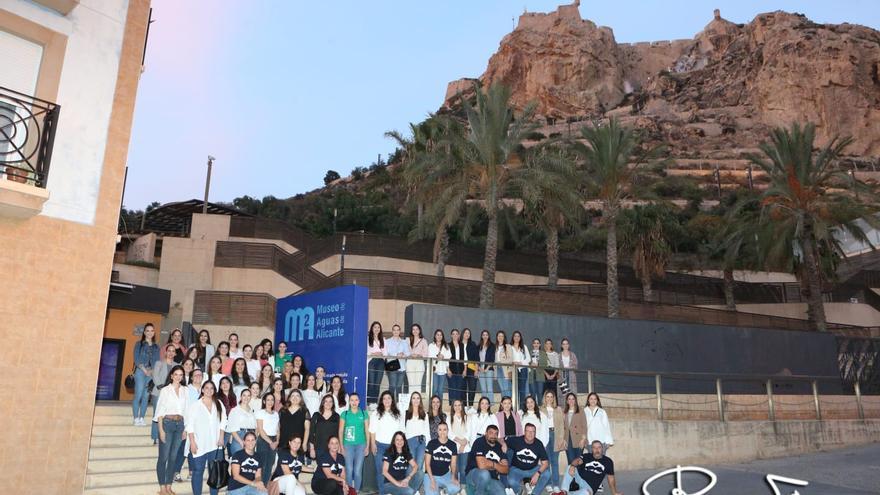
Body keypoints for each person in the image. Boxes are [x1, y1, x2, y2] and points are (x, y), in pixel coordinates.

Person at [185, 380, 227, 495]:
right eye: (206, 388)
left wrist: (221, 437)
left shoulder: (218, 403)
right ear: (202, 390)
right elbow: (190, 425)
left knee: (214, 472)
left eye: (211, 388)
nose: (209, 390)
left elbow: (223, 421)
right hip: (199, 444)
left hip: (215, 444)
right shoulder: (195, 405)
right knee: (198, 471)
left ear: (214, 390)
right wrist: (192, 442)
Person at [154, 365, 187, 495]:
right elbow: (160, 412)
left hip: (180, 425)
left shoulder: (185, 390)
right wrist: (161, 430)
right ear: (172, 375)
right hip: (167, 424)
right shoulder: (165, 390)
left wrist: (185, 428)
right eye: (176, 374)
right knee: (164, 457)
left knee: (173, 457)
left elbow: (187, 410)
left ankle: (168, 486)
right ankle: (162, 487)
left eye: (181, 375)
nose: (178, 377)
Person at [370, 390, 404, 494]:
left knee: (393, 471)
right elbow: (372, 430)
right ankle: (382, 492)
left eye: (389, 398)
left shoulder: (398, 413)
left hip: (394, 447)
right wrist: (372, 444)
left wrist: (400, 447)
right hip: (380, 446)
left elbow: (401, 431)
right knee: (381, 471)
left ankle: (392, 491)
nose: (387, 400)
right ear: (381, 400)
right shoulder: (376, 413)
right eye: (384, 398)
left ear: (392, 400)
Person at [507, 423, 552, 495]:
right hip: (517, 469)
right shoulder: (517, 440)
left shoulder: (538, 444)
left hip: (532, 469)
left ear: (535, 433)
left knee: (547, 474)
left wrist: (537, 474)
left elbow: (546, 463)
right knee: (511, 481)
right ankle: (520, 491)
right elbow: (503, 440)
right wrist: (503, 444)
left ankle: (534, 493)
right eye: (528, 431)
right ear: (524, 432)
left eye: (533, 431)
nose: (530, 433)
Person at [465, 425, 509, 495]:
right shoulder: (479, 442)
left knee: (502, 493)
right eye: (491, 433)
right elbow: (481, 466)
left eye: (496, 434)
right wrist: (497, 465)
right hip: (474, 475)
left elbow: (505, 470)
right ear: (486, 433)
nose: (493, 436)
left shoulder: (500, 447)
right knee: (484, 474)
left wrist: (490, 464)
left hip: (492, 478)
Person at [338, 392, 369, 491]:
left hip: (361, 444)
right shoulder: (345, 414)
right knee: (349, 469)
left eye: (356, 400)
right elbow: (341, 431)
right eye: (352, 400)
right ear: (349, 401)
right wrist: (341, 447)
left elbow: (367, 431)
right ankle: (350, 491)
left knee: (357, 471)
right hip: (348, 445)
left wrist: (368, 446)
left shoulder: (364, 413)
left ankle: (357, 491)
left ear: (359, 401)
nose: (354, 402)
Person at [132, 323, 158, 426]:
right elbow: (136, 359)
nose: (150, 332)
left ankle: (142, 418)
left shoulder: (156, 346)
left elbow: (157, 361)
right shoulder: (139, 344)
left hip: (151, 373)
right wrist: (144, 369)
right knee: (138, 394)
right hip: (140, 371)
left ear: (154, 332)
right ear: (144, 332)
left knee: (146, 396)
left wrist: (151, 371)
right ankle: (135, 418)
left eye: (152, 330)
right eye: (148, 330)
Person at [150, 343, 178, 442]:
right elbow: (155, 376)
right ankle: (155, 437)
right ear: (166, 352)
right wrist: (161, 387)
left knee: (166, 416)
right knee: (157, 415)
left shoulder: (177, 365)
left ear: (175, 353)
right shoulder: (159, 363)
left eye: (173, 351)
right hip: (158, 392)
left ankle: (163, 435)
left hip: (171, 395)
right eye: (169, 351)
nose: (171, 353)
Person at [425, 422, 461, 495]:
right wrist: (432, 480)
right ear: (437, 431)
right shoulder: (431, 443)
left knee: (456, 488)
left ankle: (444, 491)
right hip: (431, 475)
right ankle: (437, 490)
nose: (442, 432)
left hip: (445, 474)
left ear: (448, 431)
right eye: (440, 429)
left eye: (444, 430)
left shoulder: (453, 445)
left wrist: (453, 477)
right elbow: (427, 464)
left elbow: (453, 464)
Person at [383, 431, 424, 495]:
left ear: (404, 441)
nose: (399, 442)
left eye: (402, 439)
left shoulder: (406, 453)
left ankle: (409, 492)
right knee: (409, 491)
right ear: (394, 441)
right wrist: (397, 484)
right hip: (389, 484)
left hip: (403, 481)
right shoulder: (389, 452)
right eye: (397, 439)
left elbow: (415, 466)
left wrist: (408, 478)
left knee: (420, 473)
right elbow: (384, 472)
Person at [542, 390, 566, 493]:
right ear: (545, 398)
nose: (549, 398)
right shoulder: (540, 409)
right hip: (545, 435)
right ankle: (548, 484)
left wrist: (562, 439)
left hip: (555, 435)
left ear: (554, 398)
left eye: (551, 396)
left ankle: (556, 484)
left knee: (554, 462)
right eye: (547, 396)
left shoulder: (558, 409)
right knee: (546, 461)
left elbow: (562, 426)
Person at [255, 394, 281, 485]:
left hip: (274, 440)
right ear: (264, 401)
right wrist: (271, 442)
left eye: (272, 400)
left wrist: (277, 441)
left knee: (270, 465)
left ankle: (265, 487)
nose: (270, 402)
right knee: (262, 465)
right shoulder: (260, 412)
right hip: (263, 440)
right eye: (268, 400)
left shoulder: (276, 413)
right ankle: (260, 487)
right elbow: (260, 430)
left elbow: (278, 429)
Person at [404, 391, 430, 470]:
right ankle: (408, 482)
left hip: (421, 442)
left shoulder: (424, 414)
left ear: (420, 400)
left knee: (419, 466)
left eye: (418, 398)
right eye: (414, 398)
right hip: (409, 442)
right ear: (411, 400)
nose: (416, 400)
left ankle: (416, 483)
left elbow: (427, 431)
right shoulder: (406, 413)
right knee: (410, 467)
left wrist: (427, 446)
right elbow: (402, 430)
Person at [310, 395, 341, 459]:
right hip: (319, 448)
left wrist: (339, 447)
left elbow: (339, 433)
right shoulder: (316, 415)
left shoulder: (336, 416)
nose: (328, 403)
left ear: (333, 404)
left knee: (332, 468)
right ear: (322, 403)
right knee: (320, 468)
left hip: (333, 448)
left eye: (330, 401)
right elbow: (311, 433)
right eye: (326, 401)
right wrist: (312, 448)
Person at [228, 388, 257, 456]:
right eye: (244, 395)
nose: (246, 397)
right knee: (238, 463)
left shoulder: (252, 410)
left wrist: (253, 441)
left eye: (248, 395)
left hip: (251, 438)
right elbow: (232, 430)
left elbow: (255, 426)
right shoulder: (235, 410)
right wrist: (241, 442)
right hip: (239, 438)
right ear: (240, 397)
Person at [386, 323, 411, 399]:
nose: (396, 332)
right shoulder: (387, 341)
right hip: (392, 366)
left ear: (400, 331)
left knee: (399, 387)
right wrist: (397, 354)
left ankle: (399, 405)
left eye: (398, 330)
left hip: (402, 367)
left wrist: (403, 354)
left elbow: (408, 353)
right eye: (394, 330)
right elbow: (387, 352)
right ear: (392, 331)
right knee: (392, 386)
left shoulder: (404, 342)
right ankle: (390, 403)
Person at [563, 393, 588, 466]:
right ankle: (571, 477)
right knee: (570, 460)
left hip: (579, 438)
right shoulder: (564, 412)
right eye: (569, 399)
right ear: (567, 401)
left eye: (573, 399)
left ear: (575, 400)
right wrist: (564, 439)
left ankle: (578, 477)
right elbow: (563, 427)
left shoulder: (580, 410)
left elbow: (584, 425)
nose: (571, 401)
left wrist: (583, 439)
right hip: (568, 439)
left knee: (578, 460)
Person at [449, 399, 470, 485]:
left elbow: (469, 432)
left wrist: (463, 443)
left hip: (465, 447)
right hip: (454, 446)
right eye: (455, 405)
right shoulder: (449, 418)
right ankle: (455, 487)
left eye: (459, 405)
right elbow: (449, 433)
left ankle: (463, 488)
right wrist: (460, 442)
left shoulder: (467, 417)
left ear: (462, 406)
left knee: (463, 469)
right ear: (453, 407)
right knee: (455, 468)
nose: (457, 407)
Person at [428, 329, 451, 401]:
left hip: (443, 370)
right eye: (437, 334)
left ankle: (439, 407)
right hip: (434, 370)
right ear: (435, 336)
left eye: (440, 335)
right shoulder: (431, 345)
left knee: (440, 390)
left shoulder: (446, 346)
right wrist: (437, 356)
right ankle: (432, 405)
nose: (439, 336)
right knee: (434, 389)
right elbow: (429, 355)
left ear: (442, 336)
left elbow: (449, 355)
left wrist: (443, 356)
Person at [367, 321, 386, 405]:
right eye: (375, 327)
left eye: (378, 327)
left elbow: (385, 353)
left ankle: (374, 403)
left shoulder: (383, 339)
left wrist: (381, 354)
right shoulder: (367, 338)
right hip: (371, 361)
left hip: (381, 361)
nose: (377, 329)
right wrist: (374, 353)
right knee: (371, 382)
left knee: (377, 383)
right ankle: (369, 402)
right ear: (372, 328)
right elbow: (366, 351)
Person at [511, 331, 530, 408]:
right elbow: (508, 358)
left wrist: (520, 362)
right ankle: (515, 407)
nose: (516, 338)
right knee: (515, 390)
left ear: (520, 338)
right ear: (513, 337)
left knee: (522, 390)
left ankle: (522, 408)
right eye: (515, 336)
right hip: (514, 370)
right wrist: (513, 362)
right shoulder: (510, 347)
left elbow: (528, 359)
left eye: (518, 336)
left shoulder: (524, 347)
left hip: (523, 369)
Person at [407, 323, 428, 394]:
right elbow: (405, 352)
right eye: (413, 329)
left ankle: (418, 403)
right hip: (410, 362)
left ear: (419, 331)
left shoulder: (423, 341)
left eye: (417, 329)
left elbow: (425, 354)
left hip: (419, 363)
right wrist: (410, 354)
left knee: (418, 384)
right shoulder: (407, 340)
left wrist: (419, 355)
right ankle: (411, 403)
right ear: (411, 331)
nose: (415, 331)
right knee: (411, 384)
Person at [477, 330, 496, 404]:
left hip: (489, 369)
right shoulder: (478, 346)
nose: (485, 336)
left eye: (486, 335)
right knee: (483, 389)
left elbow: (492, 358)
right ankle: (483, 405)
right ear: (481, 336)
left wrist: (486, 368)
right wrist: (479, 368)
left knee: (490, 389)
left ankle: (490, 405)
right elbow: (476, 359)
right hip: (480, 369)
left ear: (488, 336)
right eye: (483, 335)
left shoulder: (492, 346)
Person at [448, 329, 466, 405]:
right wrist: (448, 370)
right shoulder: (448, 345)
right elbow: (446, 358)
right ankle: (452, 406)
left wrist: (465, 370)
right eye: (453, 334)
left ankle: (458, 407)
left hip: (460, 369)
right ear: (451, 335)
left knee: (459, 389)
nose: (455, 335)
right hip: (451, 369)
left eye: (456, 334)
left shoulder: (462, 345)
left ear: (459, 335)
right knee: (452, 389)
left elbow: (465, 358)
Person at [462, 328, 479, 408]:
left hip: (472, 368)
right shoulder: (459, 343)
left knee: (472, 387)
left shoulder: (472, 344)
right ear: (462, 334)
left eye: (468, 333)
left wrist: (476, 370)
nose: (467, 334)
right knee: (463, 388)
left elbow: (476, 358)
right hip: (461, 369)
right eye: (465, 333)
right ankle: (465, 406)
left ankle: (471, 406)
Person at [494, 331, 513, 401]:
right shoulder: (495, 347)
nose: (500, 337)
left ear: (504, 337)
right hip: (497, 369)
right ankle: (504, 405)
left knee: (506, 387)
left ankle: (508, 404)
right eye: (499, 336)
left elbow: (511, 359)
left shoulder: (508, 346)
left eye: (502, 336)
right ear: (497, 337)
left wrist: (502, 362)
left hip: (505, 368)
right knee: (502, 388)